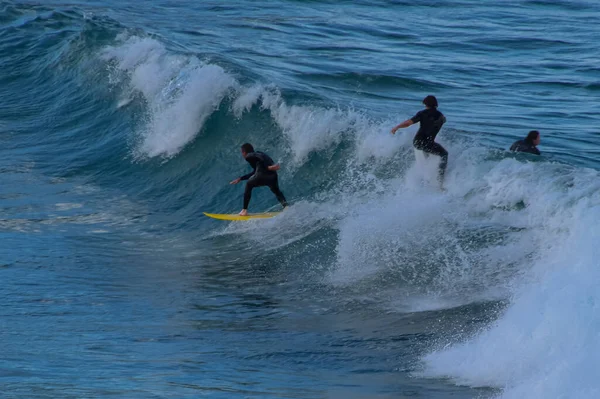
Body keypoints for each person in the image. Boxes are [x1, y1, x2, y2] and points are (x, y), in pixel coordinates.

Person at [391, 95, 448, 186]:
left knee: (430, 152)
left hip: (418, 142)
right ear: (436, 105)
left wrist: (397, 127)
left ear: (426, 104)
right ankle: (440, 181)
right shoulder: (441, 116)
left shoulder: (422, 113)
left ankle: (427, 176)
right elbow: (443, 121)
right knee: (444, 154)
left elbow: (408, 123)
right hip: (428, 143)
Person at [230, 143, 288, 216]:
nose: (242, 155)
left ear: (244, 152)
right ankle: (286, 208)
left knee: (249, 184)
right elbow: (255, 172)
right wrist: (240, 178)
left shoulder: (249, 156)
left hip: (264, 173)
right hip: (273, 175)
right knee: (277, 191)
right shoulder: (258, 157)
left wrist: (268, 167)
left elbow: (259, 157)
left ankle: (244, 211)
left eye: (242, 152)